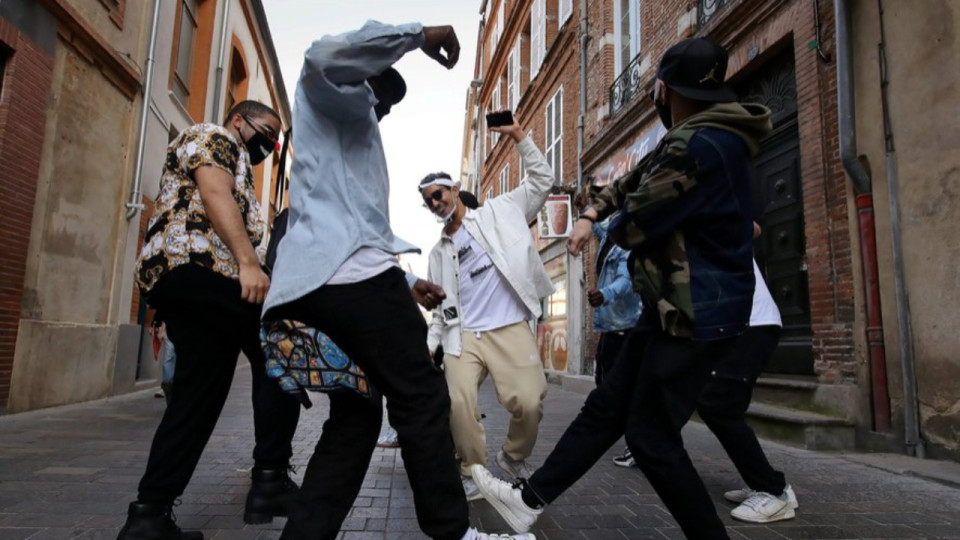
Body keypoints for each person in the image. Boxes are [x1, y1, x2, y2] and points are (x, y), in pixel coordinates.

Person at [470, 37, 772, 540]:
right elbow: (634, 181)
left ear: (663, 89)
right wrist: (590, 213)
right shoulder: (698, 135)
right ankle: (528, 500)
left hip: (696, 311)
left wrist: (608, 221)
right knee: (606, 407)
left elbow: (637, 221)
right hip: (672, 308)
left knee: (651, 437)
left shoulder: (699, 146)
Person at [262, 20, 533, 540]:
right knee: (421, 397)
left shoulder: (346, 137)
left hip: (319, 284)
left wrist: (406, 281)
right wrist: (420, 35)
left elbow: (354, 224)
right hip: (346, 280)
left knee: (357, 415)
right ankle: (454, 532)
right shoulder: (326, 84)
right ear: (360, 77)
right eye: (376, 92)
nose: (379, 108)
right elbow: (324, 54)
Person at [120, 100, 302, 540]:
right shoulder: (213, 135)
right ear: (239, 120)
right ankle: (270, 479)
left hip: (190, 282)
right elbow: (213, 194)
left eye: (276, 141)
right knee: (283, 347)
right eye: (268, 132)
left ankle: (149, 514)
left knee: (197, 398)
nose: (271, 145)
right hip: (201, 270)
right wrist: (247, 263)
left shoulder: (240, 165)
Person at [419, 126, 553, 500]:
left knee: (529, 400)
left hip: (508, 325)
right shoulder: (437, 253)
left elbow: (543, 181)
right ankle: (472, 474)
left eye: (438, 195)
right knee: (458, 403)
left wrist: (520, 135)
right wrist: (431, 346)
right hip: (463, 336)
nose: (435, 204)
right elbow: (440, 312)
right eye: (428, 201)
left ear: (454, 190)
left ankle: (512, 456)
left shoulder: (501, 211)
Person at [699, 224, 798, 523]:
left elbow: (751, 227)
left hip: (751, 322)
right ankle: (767, 482)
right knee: (722, 406)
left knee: (718, 405)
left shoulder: (705, 200)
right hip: (739, 323)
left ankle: (774, 492)